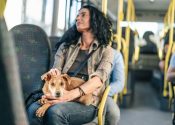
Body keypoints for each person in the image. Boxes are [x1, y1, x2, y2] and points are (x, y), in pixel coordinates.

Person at [27, 5, 114, 125]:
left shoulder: (106, 50)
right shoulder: (66, 46)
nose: (78, 18)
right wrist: (54, 73)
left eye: (83, 14)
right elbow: (56, 68)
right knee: (32, 110)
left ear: (95, 20)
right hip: (61, 89)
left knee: (55, 112)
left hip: (86, 100)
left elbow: (98, 79)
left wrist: (70, 95)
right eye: (77, 15)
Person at [105, 42, 125, 125]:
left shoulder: (115, 55)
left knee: (114, 114)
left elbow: (119, 82)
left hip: (102, 92)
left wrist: (104, 91)